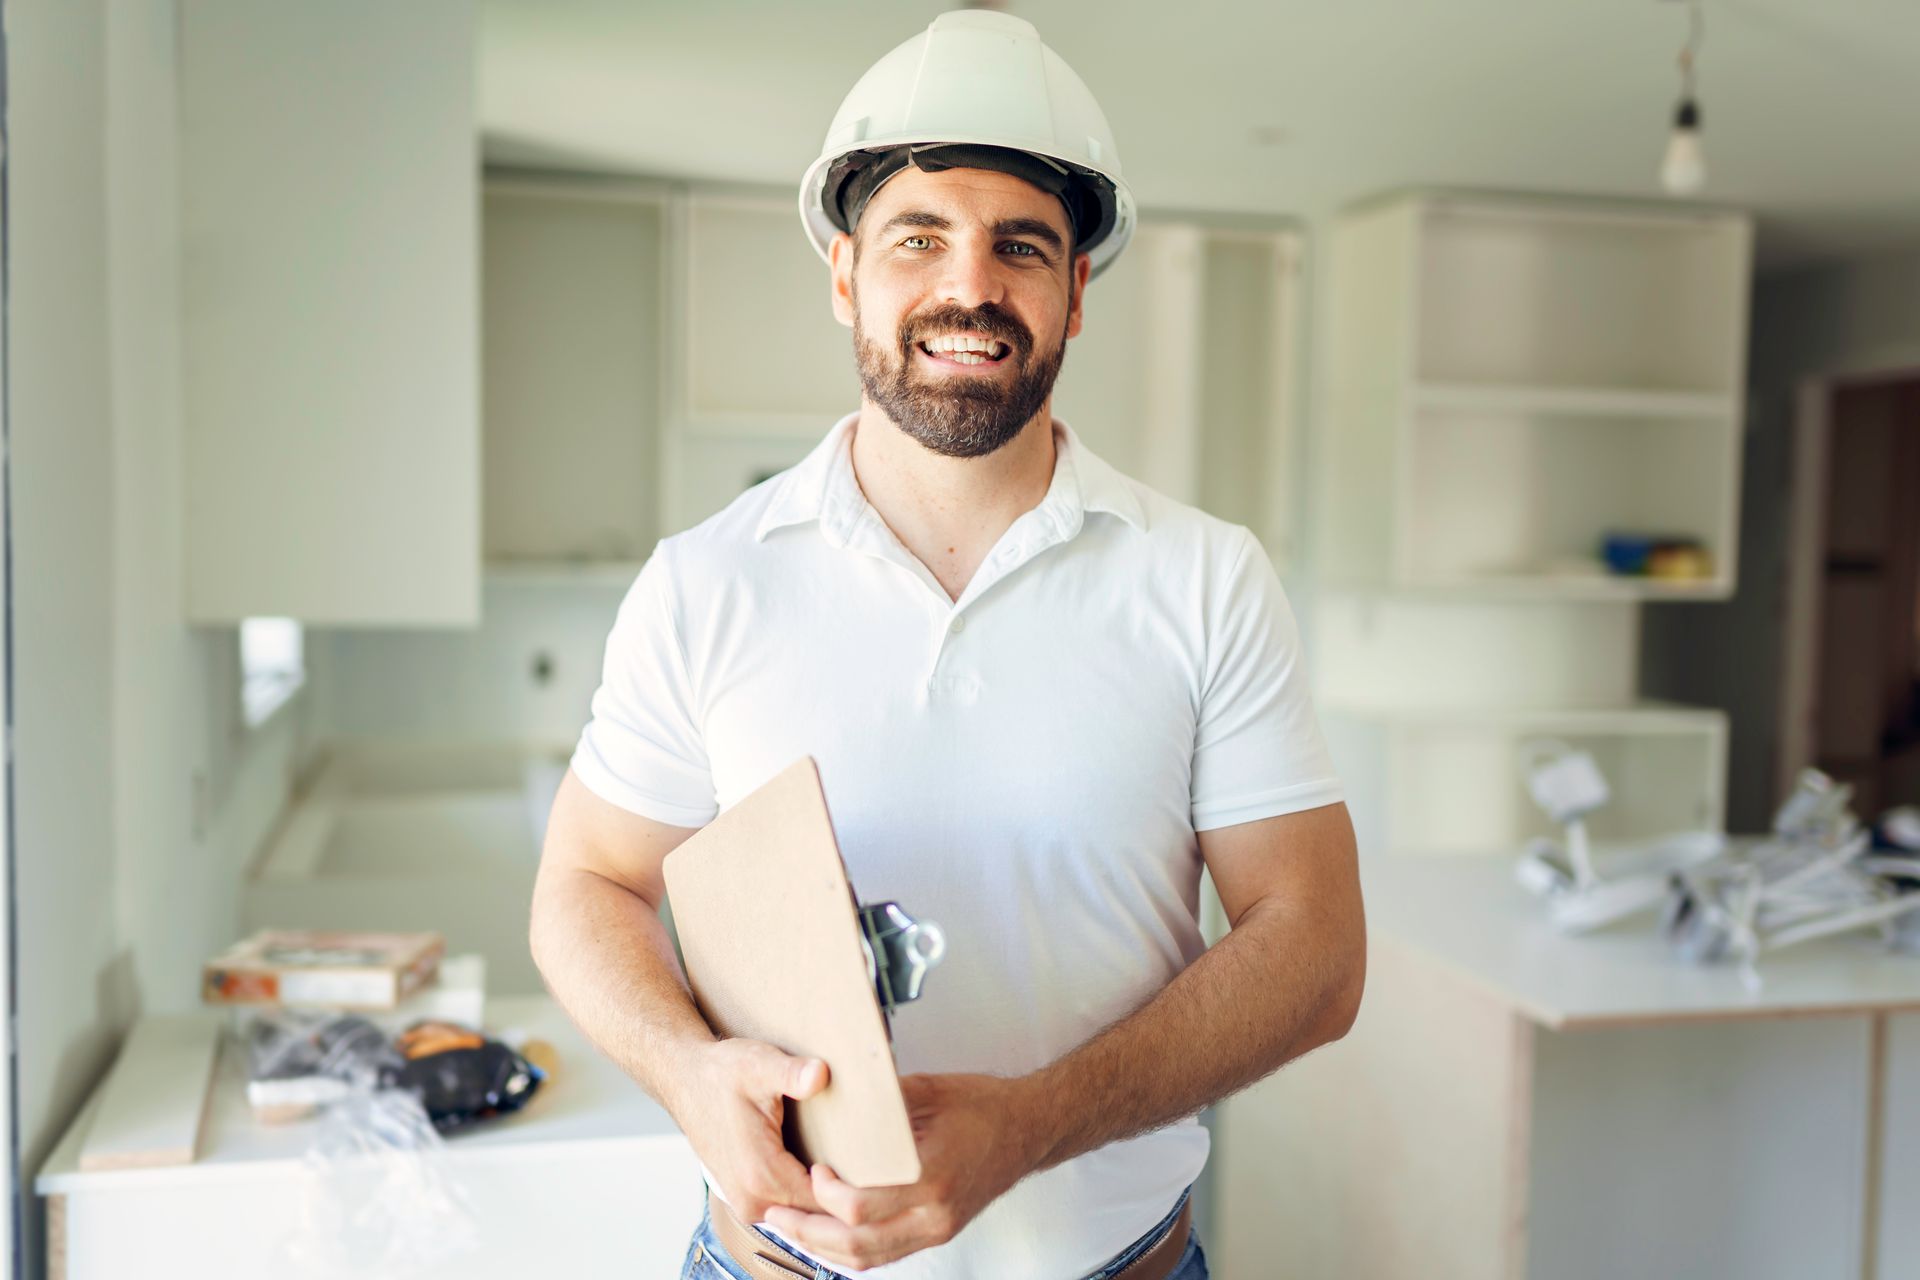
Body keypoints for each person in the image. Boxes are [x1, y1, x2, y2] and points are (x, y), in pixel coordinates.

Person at [529, 11, 1365, 1279]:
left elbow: (1315, 948)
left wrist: (1027, 1125)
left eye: (1021, 246)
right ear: (844, 274)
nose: (968, 286)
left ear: (1078, 289)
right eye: (918, 237)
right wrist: (688, 1071)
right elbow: (584, 884)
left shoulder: (1204, 579)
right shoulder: (704, 582)